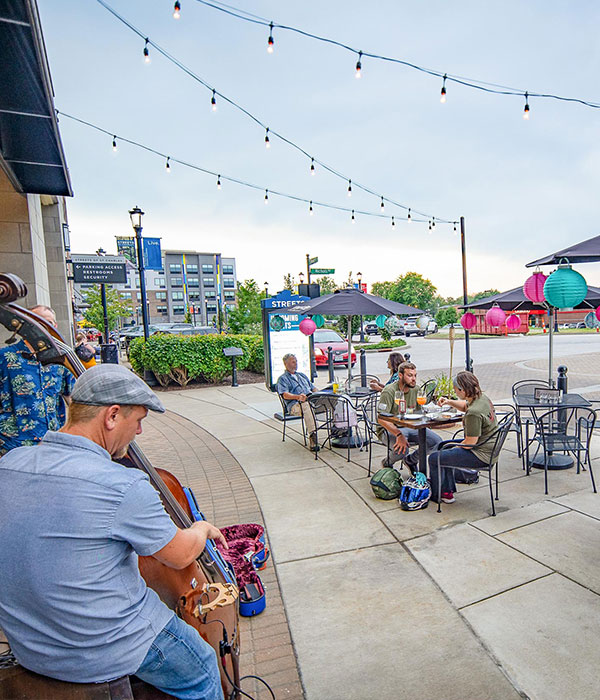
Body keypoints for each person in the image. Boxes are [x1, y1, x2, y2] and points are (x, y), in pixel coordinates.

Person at [0, 364, 226, 699]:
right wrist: (200, 528)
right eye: (138, 421)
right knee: (203, 666)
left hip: (32, 647)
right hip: (102, 648)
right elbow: (179, 556)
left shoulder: (10, 464)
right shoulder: (121, 484)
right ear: (112, 416)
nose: (139, 433)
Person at [0, 305, 75, 456]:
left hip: (51, 442)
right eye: (38, 322)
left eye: (49, 323)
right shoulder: (5, 356)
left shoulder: (60, 360)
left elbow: (72, 399)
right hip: (12, 445)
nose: (44, 327)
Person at [428, 371, 498, 504]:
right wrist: (449, 401)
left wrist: (453, 448)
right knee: (442, 447)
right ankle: (447, 491)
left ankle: (438, 494)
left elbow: (469, 443)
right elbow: (466, 406)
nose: (456, 393)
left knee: (434, 458)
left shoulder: (474, 413)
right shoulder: (482, 398)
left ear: (462, 390)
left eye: (456, 391)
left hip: (481, 454)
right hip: (488, 445)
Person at [376, 361, 442, 472]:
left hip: (411, 427)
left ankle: (411, 460)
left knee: (436, 442)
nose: (414, 379)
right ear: (400, 375)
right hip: (388, 429)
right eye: (410, 375)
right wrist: (399, 434)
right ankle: (387, 463)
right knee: (402, 449)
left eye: (415, 375)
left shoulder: (416, 390)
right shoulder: (389, 391)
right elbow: (381, 418)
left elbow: (421, 413)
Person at [276, 353, 318, 451]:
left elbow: (313, 388)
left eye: (296, 361)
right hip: (296, 405)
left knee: (333, 400)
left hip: (311, 400)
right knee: (307, 406)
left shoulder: (302, 375)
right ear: (286, 364)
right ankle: (313, 435)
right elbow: (285, 394)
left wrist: (320, 394)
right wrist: (298, 397)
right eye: (293, 362)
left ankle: (338, 428)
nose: (296, 364)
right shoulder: (283, 379)